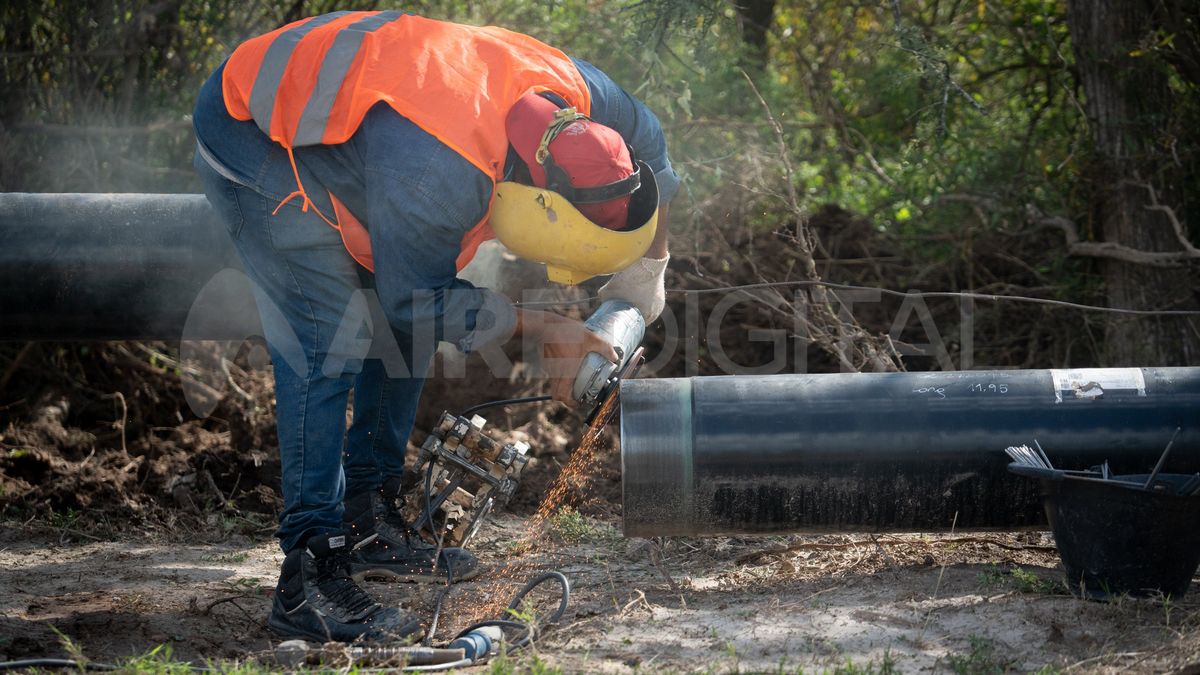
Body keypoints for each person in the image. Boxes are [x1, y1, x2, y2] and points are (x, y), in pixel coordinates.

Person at [192, 10, 678, 643]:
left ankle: (369, 520)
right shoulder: (440, 172)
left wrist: (650, 268)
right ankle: (308, 576)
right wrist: (545, 330)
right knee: (326, 339)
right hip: (252, 125)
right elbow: (416, 303)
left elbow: (658, 150)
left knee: (398, 315)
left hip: (375, 125)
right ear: (538, 207)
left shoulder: (582, 95)